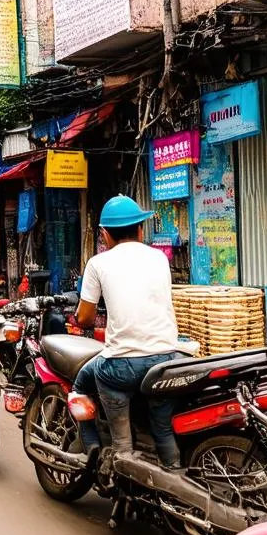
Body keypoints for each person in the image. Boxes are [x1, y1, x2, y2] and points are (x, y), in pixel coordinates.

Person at [73, 195, 182, 468]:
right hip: (166, 359)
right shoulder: (158, 258)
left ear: (104, 234)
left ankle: (98, 451)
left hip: (121, 367)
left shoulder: (98, 263)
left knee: (81, 383)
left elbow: (85, 318)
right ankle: (172, 471)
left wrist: (83, 318)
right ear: (140, 229)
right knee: (164, 431)